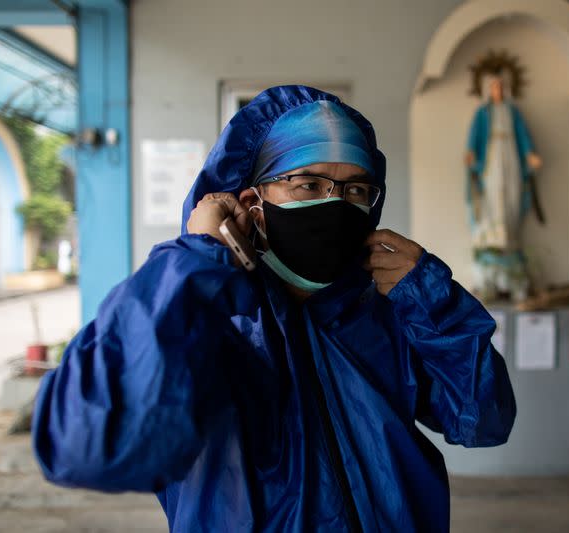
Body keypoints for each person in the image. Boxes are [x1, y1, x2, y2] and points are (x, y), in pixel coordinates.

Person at [32, 85, 516, 532]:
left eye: (355, 190)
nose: (338, 204)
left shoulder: (388, 316)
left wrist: (435, 301)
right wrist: (196, 261)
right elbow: (90, 446)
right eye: (308, 184)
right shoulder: (208, 327)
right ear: (252, 203)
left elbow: (483, 420)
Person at [466, 70, 543, 302]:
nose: (497, 91)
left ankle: (508, 241)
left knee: (511, 198)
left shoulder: (512, 112)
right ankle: (493, 244)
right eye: (494, 87)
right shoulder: (483, 112)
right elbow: (475, 137)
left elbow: (522, 136)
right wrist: (471, 153)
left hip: (510, 159)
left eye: (500, 86)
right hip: (491, 161)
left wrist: (529, 154)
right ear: (488, 90)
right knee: (492, 199)